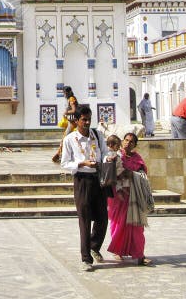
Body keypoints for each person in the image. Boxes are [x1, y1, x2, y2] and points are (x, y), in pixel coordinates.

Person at [61, 105, 107, 272]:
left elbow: (105, 152)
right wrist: (82, 163)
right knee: (85, 220)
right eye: (84, 120)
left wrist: (109, 158)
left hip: (98, 179)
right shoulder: (70, 140)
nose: (87, 123)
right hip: (82, 181)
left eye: (89, 119)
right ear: (77, 120)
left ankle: (94, 245)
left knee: (103, 218)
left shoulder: (97, 135)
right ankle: (86, 258)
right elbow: (64, 163)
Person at [107, 132, 153, 265]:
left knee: (137, 226)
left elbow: (143, 174)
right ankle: (118, 250)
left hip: (134, 195)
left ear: (135, 145)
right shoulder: (116, 155)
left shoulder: (137, 158)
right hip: (119, 196)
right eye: (126, 140)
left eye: (131, 141)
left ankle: (139, 254)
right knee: (118, 223)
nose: (128, 143)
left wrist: (132, 174)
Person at [52, 86, 80, 163]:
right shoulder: (71, 99)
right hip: (72, 122)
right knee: (66, 138)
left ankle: (60, 154)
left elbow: (74, 110)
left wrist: (66, 112)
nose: (64, 95)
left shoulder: (71, 99)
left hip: (73, 123)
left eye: (64, 93)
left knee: (65, 139)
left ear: (66, 92)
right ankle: (60, 153)